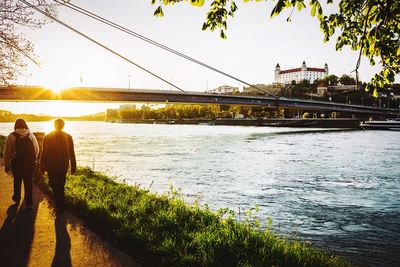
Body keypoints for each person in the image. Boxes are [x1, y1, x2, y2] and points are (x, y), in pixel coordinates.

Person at [40, 119, 76, 215]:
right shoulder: (68, 136)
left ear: (54, 125)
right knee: (61, 183)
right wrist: (73, 166)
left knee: (53, 184)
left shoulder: (48, 136)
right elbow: (72, 153)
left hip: (51, 165)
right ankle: (61, 203)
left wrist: (42, 166)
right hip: (63, 165)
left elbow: (43, 152)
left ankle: (59, 204)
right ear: (63, 126)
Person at [3, 119, 39, 209]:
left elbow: (7, 152)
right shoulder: (31, 135)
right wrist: (33, 160)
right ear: (25, 125)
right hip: (29, 163)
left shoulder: (11, 136)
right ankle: (29, 202)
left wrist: (6, 164)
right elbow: (36, 149)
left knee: (17, 180)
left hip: (17, 163)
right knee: (28, 181)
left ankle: (17, 198)